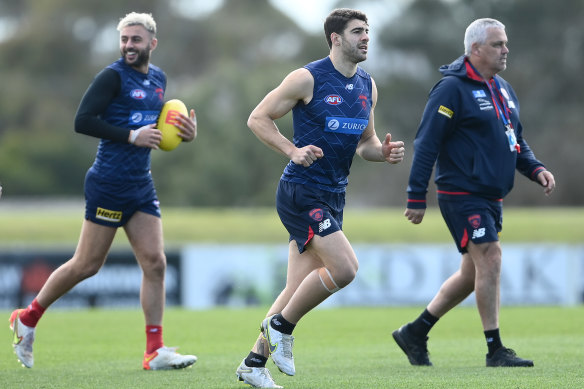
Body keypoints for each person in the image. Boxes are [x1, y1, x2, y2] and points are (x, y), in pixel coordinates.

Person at [9, 12, 198, 370]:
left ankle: (154, 351)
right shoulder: (111, 77)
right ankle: (28, 317)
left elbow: (158, 128)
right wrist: (131, 136)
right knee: (86, 265)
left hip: (140, 183)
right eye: (124, 39)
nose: (129, 45)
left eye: (136, 40)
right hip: (108, 183)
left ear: (152, 44)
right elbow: (83, 121)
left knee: (155, 263)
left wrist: (185, 133)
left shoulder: (158, 78)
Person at [235, 8, 405, 388]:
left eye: (368, 31)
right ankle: (280, 327)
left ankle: (253, 363)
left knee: (296, 288)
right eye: (357, 31)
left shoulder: (368, 86)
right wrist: (291, 150)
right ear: (335, 38)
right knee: (345, 268)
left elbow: (366, 143)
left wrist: (384, 153)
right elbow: (258, 118)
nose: (366, 38)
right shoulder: (307, 78)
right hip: (301, 191)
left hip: (333, 196)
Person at [394, 18, 555, 368]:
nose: (506, 49)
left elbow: (516, 139)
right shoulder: (451, 89)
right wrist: (416, 195)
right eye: (498, 44)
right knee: (492, 257)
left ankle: (415, 332)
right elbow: (426, 143)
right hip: (461, 192)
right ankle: (495, 349)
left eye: (506, 43)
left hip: (492, 196)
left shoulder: (503, 89)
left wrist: (535, 168)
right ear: (476, 49)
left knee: (473, 273)